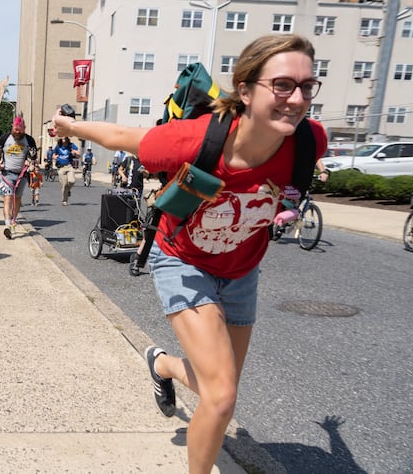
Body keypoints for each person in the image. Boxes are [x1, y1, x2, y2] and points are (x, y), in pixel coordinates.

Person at [51, 34, 327, 474]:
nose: (295, 99)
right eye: (281, 85)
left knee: (218, 386)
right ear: (245, 90)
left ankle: (160, 364)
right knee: (220, 398)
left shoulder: (310, 142)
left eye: (306, 86)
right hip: (183, 260)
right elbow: (122, 136)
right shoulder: (194, 139)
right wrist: (70, 127)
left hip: (242, 272)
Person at [0, 116, 37, 239]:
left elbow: (34, 156)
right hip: (7, 173)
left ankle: (14, 219)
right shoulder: (4, 138)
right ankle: (7, 224)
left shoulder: (29, 140)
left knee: (17, 198)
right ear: (12, 128)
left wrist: (30, 162)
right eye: (15, 130)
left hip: (22, 174)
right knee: (8, 197)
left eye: (20, 130)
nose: (17, 133)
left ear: (24, 129)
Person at [52, 135, 79, 206]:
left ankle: (68, 190)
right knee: (64, 185)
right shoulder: (58, 146)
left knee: (72, 181)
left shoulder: (71, 145)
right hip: (61, 167)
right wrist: (55, 157)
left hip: (69, 166)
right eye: (62, 137)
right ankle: (64, 200)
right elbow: (53, 155)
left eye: (65, 137)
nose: (63, 139)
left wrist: (75, 153)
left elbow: (78, 154)